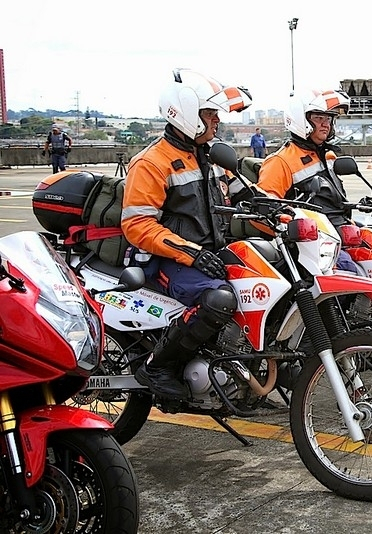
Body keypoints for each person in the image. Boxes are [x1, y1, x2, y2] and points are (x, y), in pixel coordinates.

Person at [121, 68, 252, 399]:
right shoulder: (151, 162)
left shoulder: (211, 156)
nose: (216, 121)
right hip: (167, 261)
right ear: (187, 114)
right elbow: (137, 225)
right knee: (218, 300)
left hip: (208, 253)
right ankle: (158, 366)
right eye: (210, 114)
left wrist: (278, 212)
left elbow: (244, 195)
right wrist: (190, 252)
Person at [256, 88, 357, 272]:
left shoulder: (328, 156)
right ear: (301, 120)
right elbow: (262, 212)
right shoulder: (281, 161)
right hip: (311, 244)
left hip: (339, 233)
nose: (326, 124)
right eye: (319, 118)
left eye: (329, 118)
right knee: (350, 271)